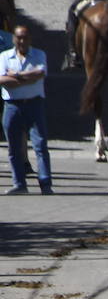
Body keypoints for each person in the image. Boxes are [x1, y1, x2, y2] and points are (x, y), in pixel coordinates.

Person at [0, 24, 50, 195]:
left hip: (34, 104)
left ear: (30, 39)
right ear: (14, 39)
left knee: (40, 145)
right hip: (12, 106)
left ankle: (45, 183)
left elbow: (40, 74)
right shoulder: (5, 56)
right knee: (14, 148)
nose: (22, 41)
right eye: (19, 37)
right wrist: (27, 77)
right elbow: (2, 80)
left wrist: (16, 75)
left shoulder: (39, 54)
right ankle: (19, 184)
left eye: (25, 37)